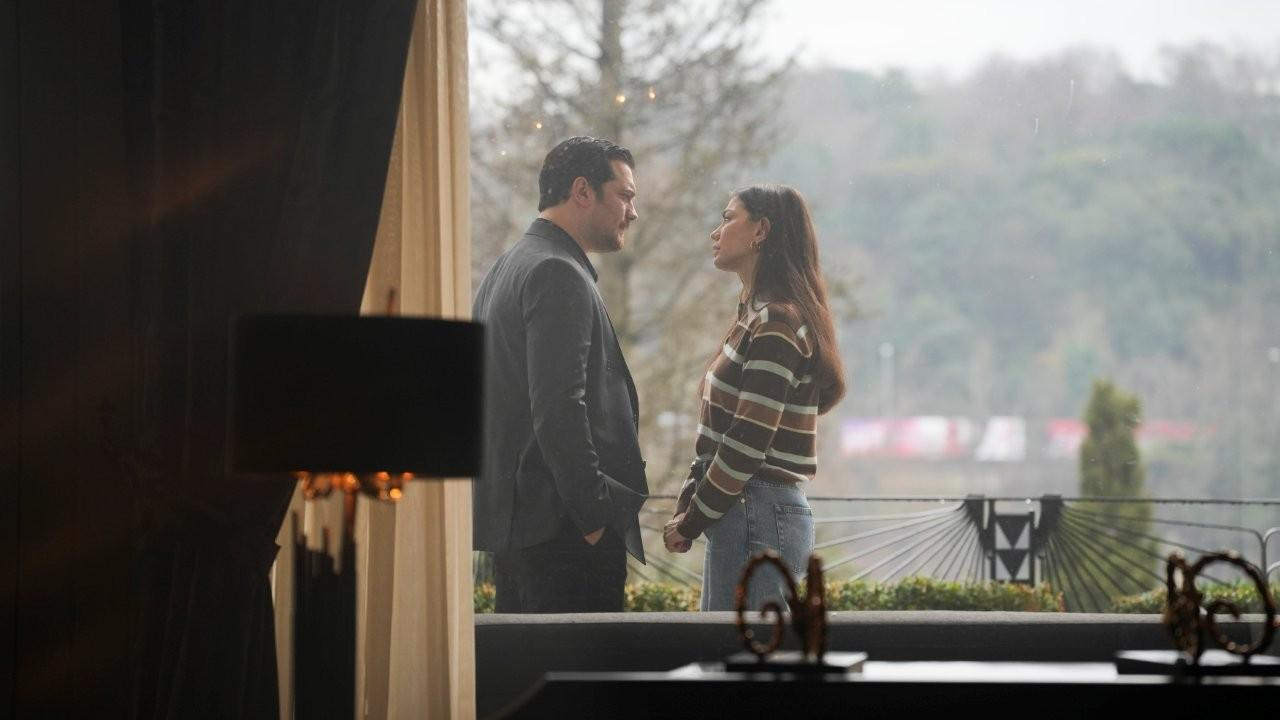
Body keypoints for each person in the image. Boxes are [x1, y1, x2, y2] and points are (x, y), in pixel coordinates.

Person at [473, 136, 648, 613]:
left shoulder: (507, 267)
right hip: (563, 537)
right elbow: (558, 409)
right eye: (625, 196)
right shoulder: (557, 272)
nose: (632, 212)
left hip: (520, 531)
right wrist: (594, 517)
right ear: (583, 191)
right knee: (584, 664)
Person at [663, 184, 846, 611]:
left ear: (760, 230)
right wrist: (690, 506)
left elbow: (746, 441)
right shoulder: (756, 316)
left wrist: (692, 520)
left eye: (728, 218)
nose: (715, 232)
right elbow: (722, 435)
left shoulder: (776, 322)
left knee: (741, 651)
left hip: (756, 512)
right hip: (748, 512)